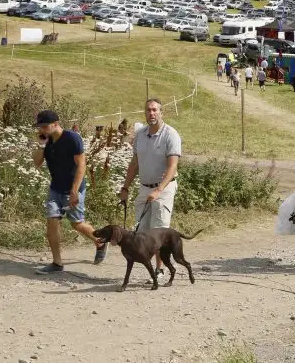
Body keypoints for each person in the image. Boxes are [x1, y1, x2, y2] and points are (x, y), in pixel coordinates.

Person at [31, 110, 107, 274]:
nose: (42, 130)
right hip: (55, 189)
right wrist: (41, 145)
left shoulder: (72, 138)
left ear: (56, 124)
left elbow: (81, 166)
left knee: (77, 223)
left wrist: (74, 191)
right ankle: (57, 263)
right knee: (52, 220)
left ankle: (100, 240)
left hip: (74, 188)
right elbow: (36, 163)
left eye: (45, 126)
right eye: (40, 127)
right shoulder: (47, 141)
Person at [120, 98, 182, 275]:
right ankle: (152, 267)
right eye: (148, 110)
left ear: (161, 112)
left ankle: (160, 270)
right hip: (144, 188)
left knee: (158, 232)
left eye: (155, 110)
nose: (151, 113)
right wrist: (125, 188)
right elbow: (134, 163)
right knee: (142, 232)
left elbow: (172, 167)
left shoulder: (171, 135)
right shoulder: (140, 135)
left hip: (164, 188)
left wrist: (159, 190)